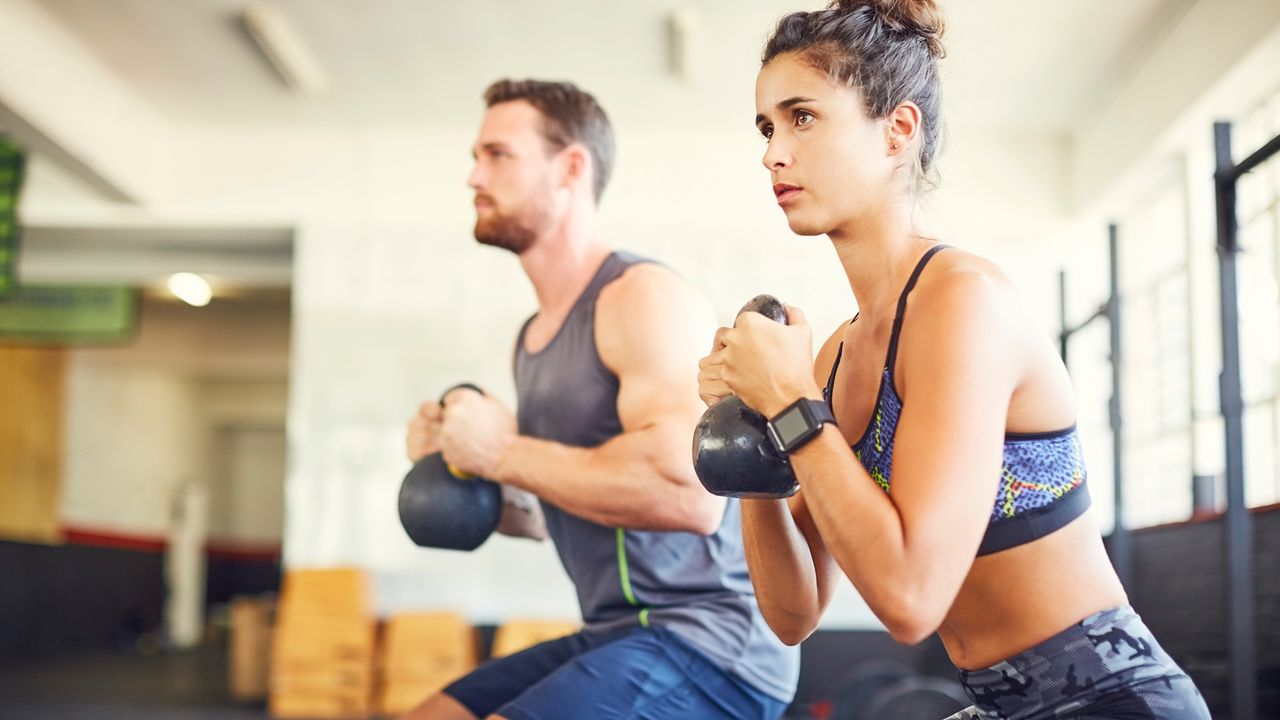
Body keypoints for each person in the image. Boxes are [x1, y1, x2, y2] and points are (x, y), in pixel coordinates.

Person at [695, 2, 1210, 717]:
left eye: (802, 117)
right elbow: (794, 614)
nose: (773, 152)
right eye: (767, 127)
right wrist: (755, 425)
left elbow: (910, 599)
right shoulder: (834, 359)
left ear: (898, 131)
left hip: (1111, 697)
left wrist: (788, 400)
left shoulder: (962, 301)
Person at [402, 78, 798, 720]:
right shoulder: (532, 340)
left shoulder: (639, 298)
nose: (473, 175)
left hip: (711, 644)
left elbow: (689, 497)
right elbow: (543, 514)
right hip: (615, 632)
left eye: (497, 154)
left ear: (571, 169)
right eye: (477, 156)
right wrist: (464, 465)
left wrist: (500, 450)